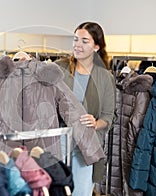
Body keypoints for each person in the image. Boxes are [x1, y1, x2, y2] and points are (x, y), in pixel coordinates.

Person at [56, 22, 116, 195]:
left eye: (84, 41)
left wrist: (96, 123)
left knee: (81, 192)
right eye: (75, 39)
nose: (77, 45)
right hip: (58, 143)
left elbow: (109, 116)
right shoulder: (59, 68)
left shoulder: (105, 77)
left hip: (86, 148)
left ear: (96, 47)